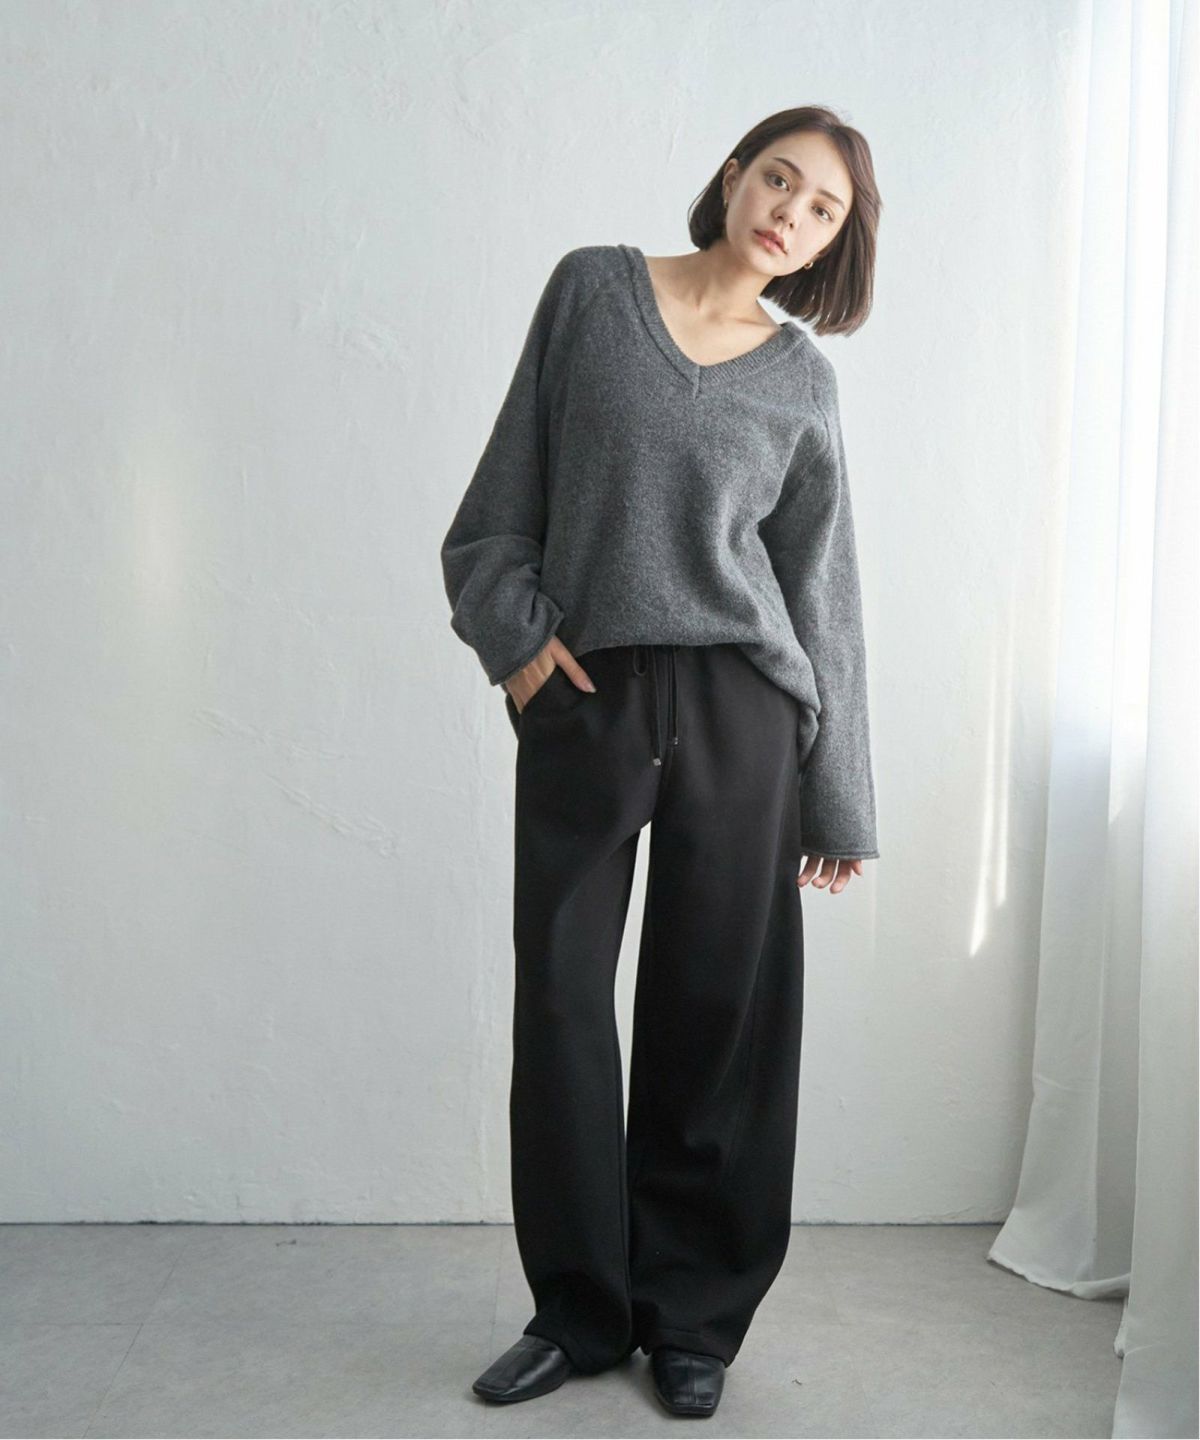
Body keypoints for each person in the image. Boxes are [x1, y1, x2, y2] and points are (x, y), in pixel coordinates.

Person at [440, 105, 882, 1419]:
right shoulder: (594, 292)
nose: (790, 212)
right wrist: (519, 647)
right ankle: (579, 1311)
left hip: (745, 716)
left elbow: (822, 593)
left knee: (716, 1014)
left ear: (832, 242)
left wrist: (839, 797)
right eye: (779, 179)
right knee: (565, 1003)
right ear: (734, 175)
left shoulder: (803, 381)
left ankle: (692, 1318)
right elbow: (497, 509)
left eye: (821, 209)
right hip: (590, 694)